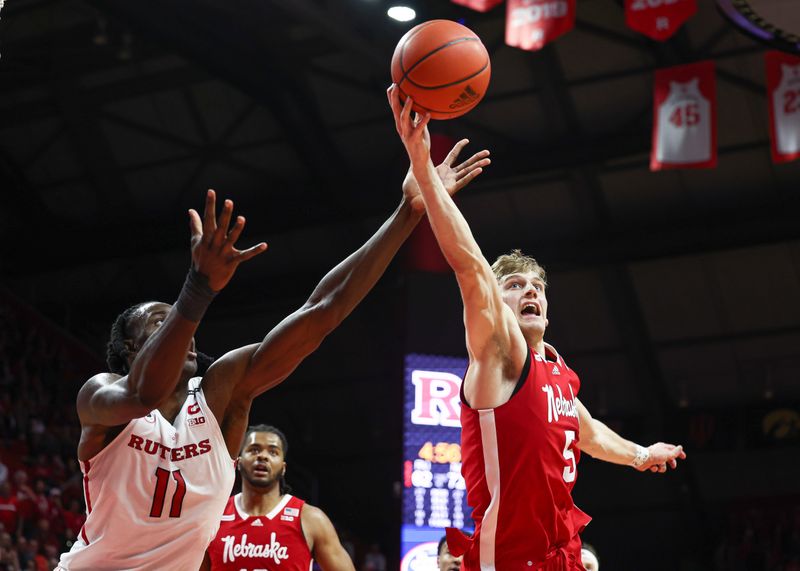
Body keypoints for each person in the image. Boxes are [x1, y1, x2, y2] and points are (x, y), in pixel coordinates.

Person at [57, 135, 489, 571]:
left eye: (180, 323)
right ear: (130, 349)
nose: (183, 333)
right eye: (160, 324)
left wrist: (406, 214)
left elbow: (322, 311)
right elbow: (144, 393)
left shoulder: (220, 394)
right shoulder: (100, 397)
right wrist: (197, 290)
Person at [388, 85, 687, 570]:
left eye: (537, 286)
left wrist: (639, 454)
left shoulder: (557, 368)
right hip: (509, 558)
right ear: (497, 302)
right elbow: (469, 267)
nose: (529, 292)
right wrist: (425, 173)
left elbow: (586, 432)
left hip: (560, 556)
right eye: (514, 285)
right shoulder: (501, 355)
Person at [202, 425, 353, 571]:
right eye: (254, 450)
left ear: (283, 468)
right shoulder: (214, 516)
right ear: (239, 463)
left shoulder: (311, 519)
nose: (262, 456)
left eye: (273, 452)